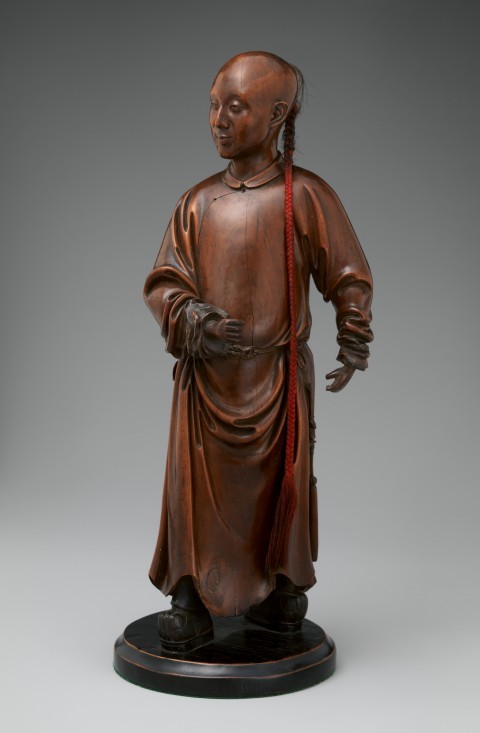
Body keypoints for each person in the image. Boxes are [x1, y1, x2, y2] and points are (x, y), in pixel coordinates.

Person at [144, 51, 373, 653]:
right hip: (206, 387)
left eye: (236, 107)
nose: (218, 119)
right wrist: (195, 318)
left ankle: (278, 590)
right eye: (213, 105)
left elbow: (347, 273)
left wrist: (353, 334)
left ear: (276, 116)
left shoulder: (306, 197)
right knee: (194, 496)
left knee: (280, 489)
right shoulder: (198, 204)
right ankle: (190, 596)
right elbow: (164, 282)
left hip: (275, 379)